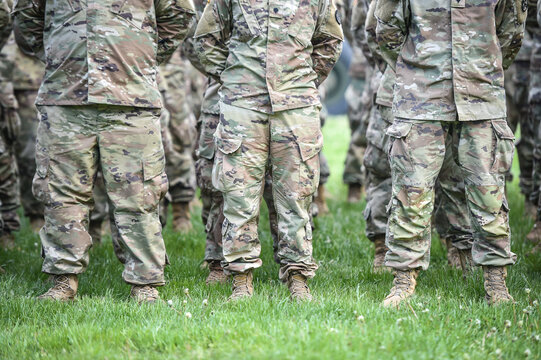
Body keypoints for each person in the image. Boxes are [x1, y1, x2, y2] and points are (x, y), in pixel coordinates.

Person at [13, 0, 196, 303]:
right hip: (65, 98)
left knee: (138, 193)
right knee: (61, 193)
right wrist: (61, 54)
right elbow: (26, 18)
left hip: (131, 99)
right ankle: (64, 279)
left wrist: (141, 54)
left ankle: (144, 283)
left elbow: (179, 15)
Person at [375, 0, 524, 307]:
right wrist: (416, 70)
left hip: (481, 95)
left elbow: (511, 32)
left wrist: (481, 67)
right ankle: (404, 280)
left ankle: (496, 283)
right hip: (421, 96)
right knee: (411, 192)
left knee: (489, 193)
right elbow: (387, 31)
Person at [195, 0, 343, 301]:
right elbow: (206, 41)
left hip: (295, 107)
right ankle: (240, 277)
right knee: (239, 195)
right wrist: (237, 77)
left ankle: (298, 275)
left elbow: (329, 41)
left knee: (296, 194)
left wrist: (300, 83)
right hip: (243, 107)